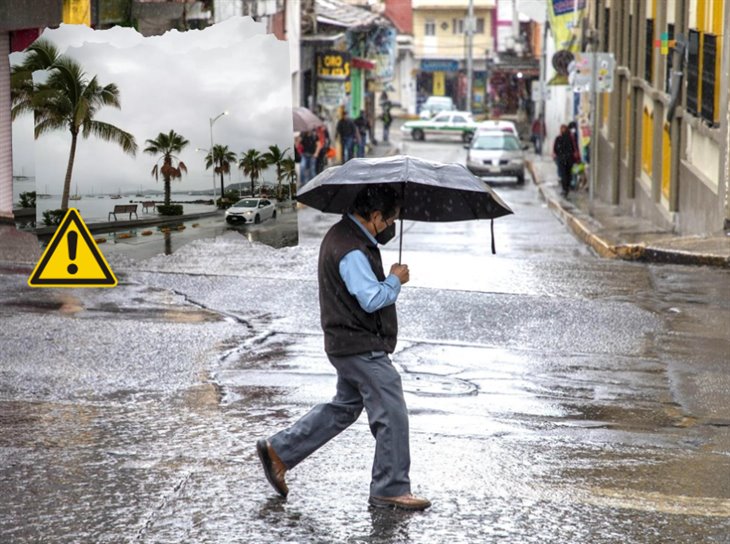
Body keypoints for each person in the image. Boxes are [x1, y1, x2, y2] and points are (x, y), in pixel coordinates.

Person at [256, 184, 431, 512]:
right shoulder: (350, 248)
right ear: (375, 216)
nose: (391, 227)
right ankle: (390, 487)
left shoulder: (346, 236)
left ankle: (279, 451)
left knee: (345, 407)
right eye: (389, 220)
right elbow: (371, 299)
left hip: (346, 341)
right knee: (391, 411)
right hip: (359, 345)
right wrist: (395, 279)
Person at [553, 124, 576, 197]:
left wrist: (559, 155)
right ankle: (566, 188)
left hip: (563, 159)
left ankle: (565, 189)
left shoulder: (559, 138)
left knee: (564, 174)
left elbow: (555, 149)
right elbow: (572, 148)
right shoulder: (569, 138)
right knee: (567, 174)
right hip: (567, 159)